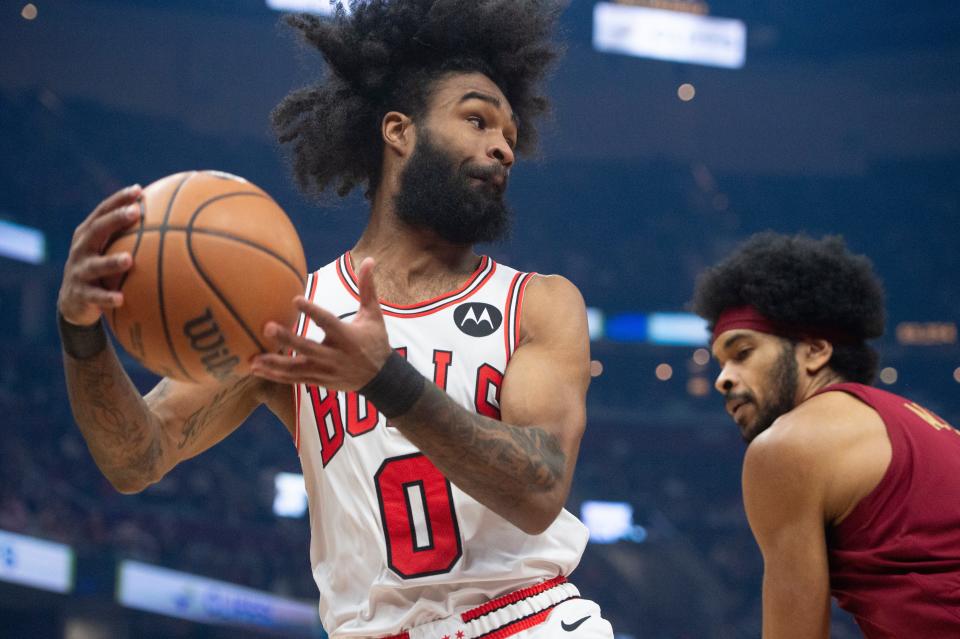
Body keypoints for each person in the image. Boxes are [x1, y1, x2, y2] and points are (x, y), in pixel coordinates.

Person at [56, 1, 614, 637]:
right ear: (398, 131)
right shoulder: (287, 312)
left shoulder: (537, 302)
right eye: (478, 120)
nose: (503, 149)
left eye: (510, 136)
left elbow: (539, 493)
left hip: (524, 621)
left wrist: (386, 380)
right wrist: (81, 331)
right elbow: (137, 459)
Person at [691, 231, 960, 638]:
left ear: (815, 351)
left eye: (742, 353)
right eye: (721, 363)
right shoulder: (914, 418)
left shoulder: (787, 446)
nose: (723, 380)